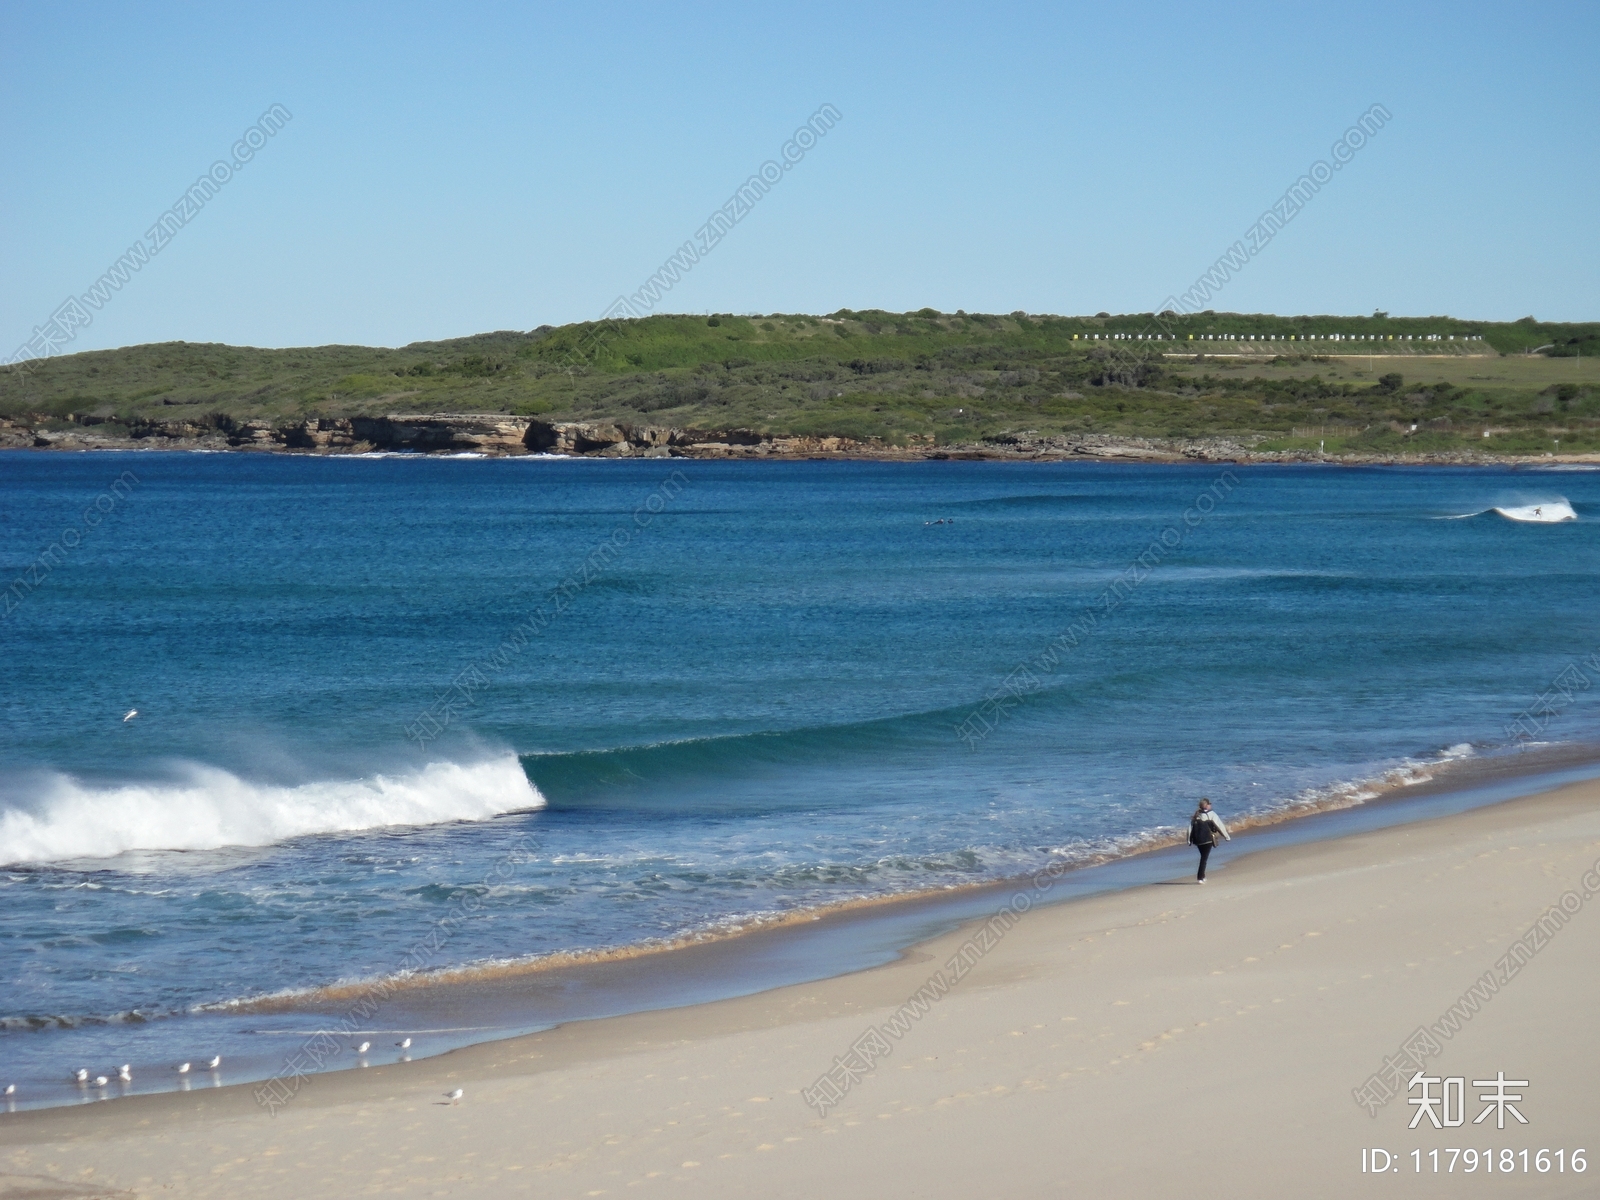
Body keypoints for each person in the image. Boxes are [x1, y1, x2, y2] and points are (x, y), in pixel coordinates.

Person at [1188, 798, 1230, 882]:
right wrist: (1226, 836)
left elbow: (1190, 829)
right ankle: (1200, 877)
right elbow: (1219, 826)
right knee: (1204, 858)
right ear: (1207, 805)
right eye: (1209, 804)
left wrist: (1189, 840)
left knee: (1203, 857)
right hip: (1208, 839)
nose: (1211, 805)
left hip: (1198, 840)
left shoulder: (1196, 815)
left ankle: (1202, 876)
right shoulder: (1212, 814)